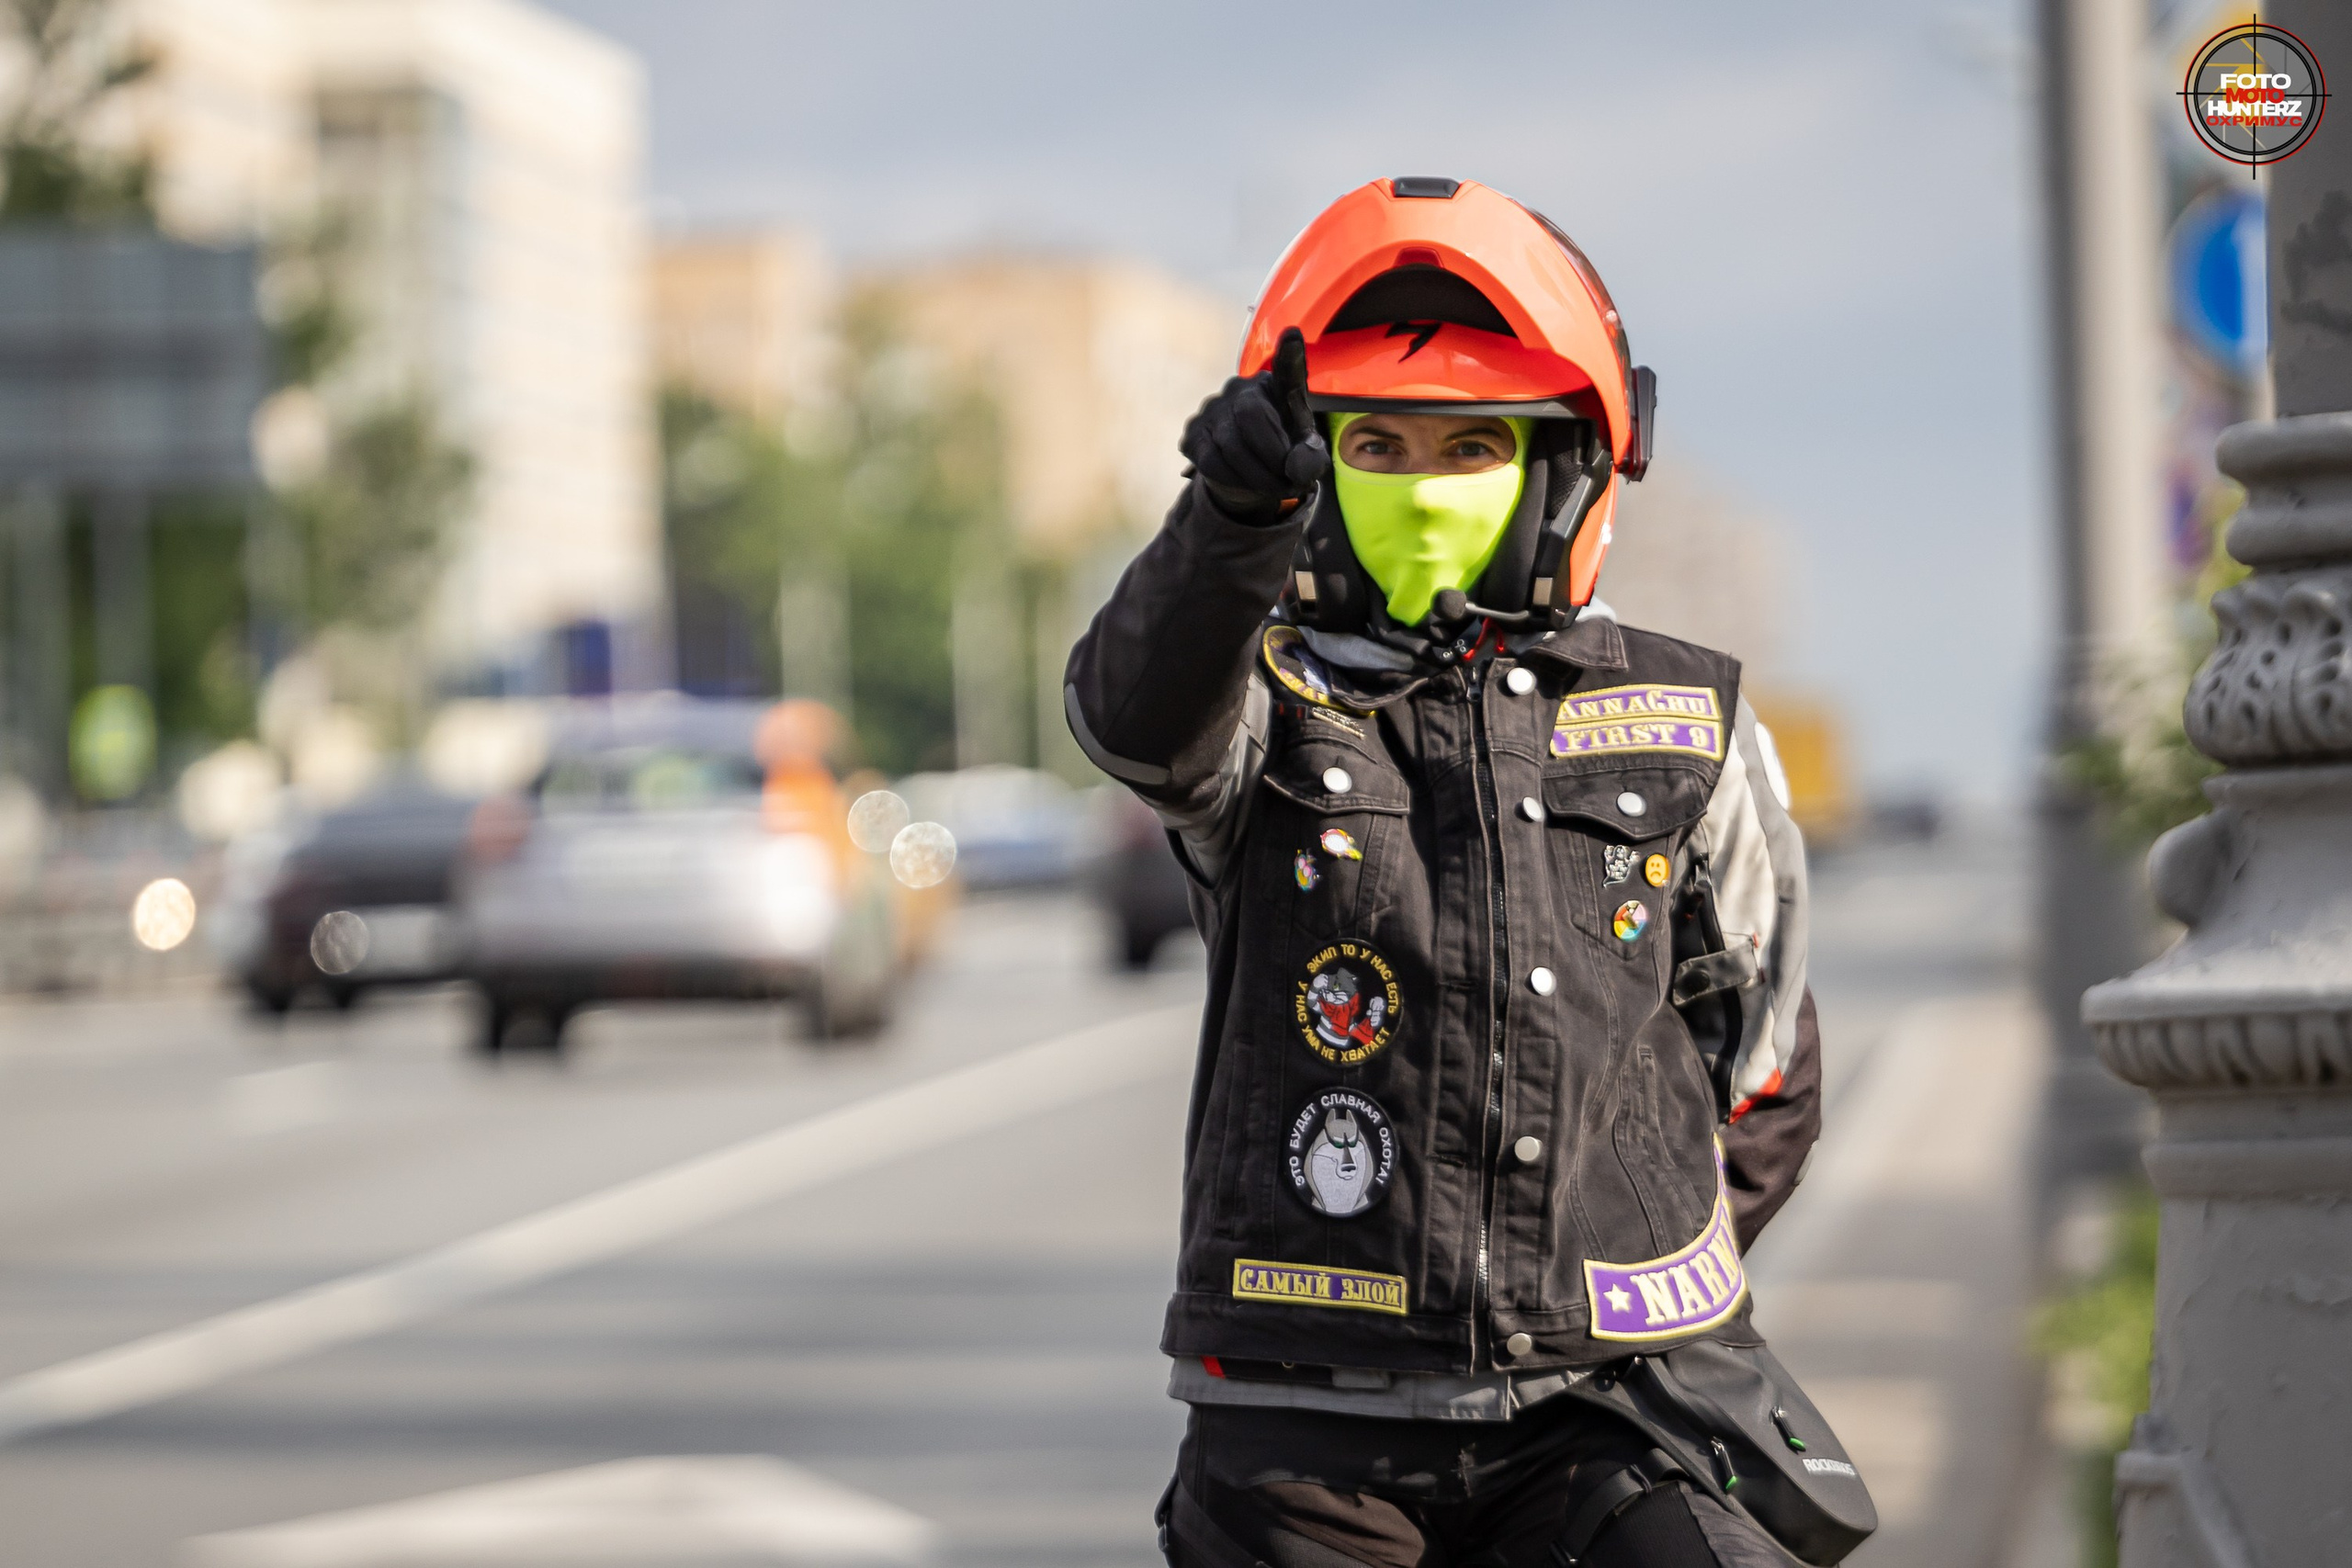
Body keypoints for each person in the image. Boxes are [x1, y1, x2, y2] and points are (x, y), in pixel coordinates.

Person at [1066, 178, 1859, 1567]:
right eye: (1376, 442)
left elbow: (1766, 1063)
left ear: (1557, 468)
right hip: (1305, 1432)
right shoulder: (1257, 698)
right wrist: (1225, 525)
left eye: (1470, 444)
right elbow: (1130, 721)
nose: (1423, 486)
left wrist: (1608, 1258)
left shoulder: (1691, 717)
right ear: (1315, 474)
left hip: (1610, 1411)